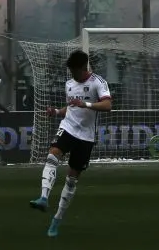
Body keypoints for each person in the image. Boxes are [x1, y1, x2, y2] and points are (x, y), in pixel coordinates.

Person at [30, 50, 112, 238]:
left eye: (74, 71)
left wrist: (87, 105)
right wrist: (57, 111)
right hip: (68, 128)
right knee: (52, 155)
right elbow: (71, 107)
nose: (72, 75)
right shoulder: (69, 84)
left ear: (83, 68)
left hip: (86, 137)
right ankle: (43, 197)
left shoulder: (98, 83)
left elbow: (107, 105)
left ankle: (56, 220)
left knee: (71, 179)